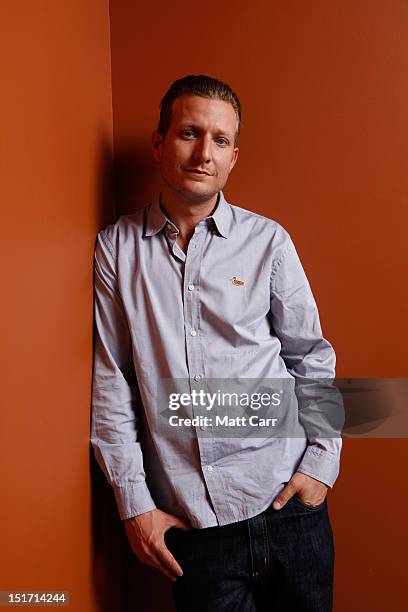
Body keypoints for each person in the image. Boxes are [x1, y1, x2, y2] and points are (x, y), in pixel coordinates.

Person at [91, 74, 342, 612]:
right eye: (189, 133)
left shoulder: (268, 241)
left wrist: (320, 467)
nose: (205, 152)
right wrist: (134, 506)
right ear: (160, 144)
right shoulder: (116, 250)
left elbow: (311, 358)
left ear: (233, 157)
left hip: (288, 507)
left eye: (221, 140)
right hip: (193, 530)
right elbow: (112, 384)